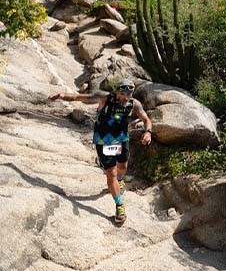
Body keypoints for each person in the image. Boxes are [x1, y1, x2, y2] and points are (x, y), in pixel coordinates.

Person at [49, 79, 152, 224]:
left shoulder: (134, 104)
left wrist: (148, 132)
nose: (125, 98)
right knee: (112, 173)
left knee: (123, 168)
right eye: (122, 94)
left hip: (122, 140)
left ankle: (120, 181)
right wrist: (61, 95)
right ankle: (119, 205)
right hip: (104, 142)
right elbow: (79, 97)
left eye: (128, 94)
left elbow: (146, 119)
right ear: (116, 91)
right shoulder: (104, 98)